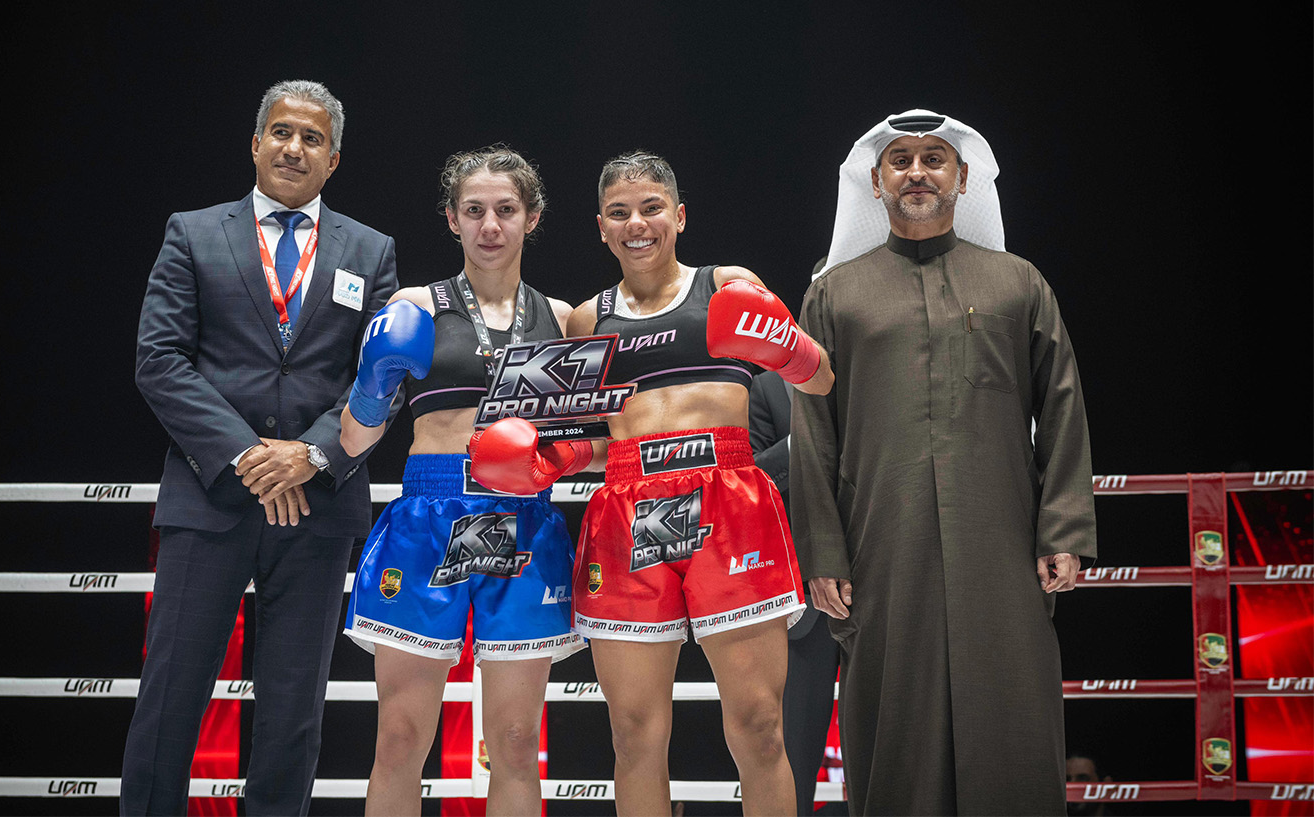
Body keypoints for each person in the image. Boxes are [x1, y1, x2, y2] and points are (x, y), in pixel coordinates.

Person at [471, 151, 835, 816]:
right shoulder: (586, 319)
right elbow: (589, 443)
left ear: (680, 215)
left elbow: (820, 382)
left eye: (651, 208)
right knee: (634, 734)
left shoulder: (727, 285)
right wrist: (554, 458)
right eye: (619, 212)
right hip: (627, 504)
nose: (636, 223)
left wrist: (793, 350)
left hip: (728, 497)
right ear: (601, 227)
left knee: (759, 723)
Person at [790, 109, 1097, 815]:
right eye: (900, 160)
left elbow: (1061, 407)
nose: (917, 172)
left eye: (934, 159)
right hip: (880, 548)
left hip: (1003, 545)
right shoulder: (833, 294)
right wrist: (822, 550)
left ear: (963, 179)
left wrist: (1062, 531)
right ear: (875, 182)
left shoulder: (1018, 284)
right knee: (893, 719)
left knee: (1012, 710)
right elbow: (813, 432)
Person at [122, 80, 399, 816]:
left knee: (291, 715)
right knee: (169, 700)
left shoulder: (370, 250)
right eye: (281, 132)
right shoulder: (192, 232)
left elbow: (382, 377)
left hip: (317, 505)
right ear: (254, 143)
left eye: (312, 138)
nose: (293, 148)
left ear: (333, 159)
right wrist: (250, 456)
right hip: (210, 495)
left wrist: (310, 454)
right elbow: (159, 361)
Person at [339, 147, 584, 816]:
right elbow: (355, 441)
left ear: (532, 217)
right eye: (474, 210)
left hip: (524, 517)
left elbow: (594, 444)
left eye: (505, 209)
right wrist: (372, 381)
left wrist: (555, 458)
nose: (490, 225)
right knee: (399, 737)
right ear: (452, 219)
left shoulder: (563, 319)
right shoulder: (415, 306)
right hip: (428, 511)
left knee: (515, 742)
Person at [749, 370, 845, 816]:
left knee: (893, 747)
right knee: (795, 754)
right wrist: (801, 441)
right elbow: (750, 478)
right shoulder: (767, 388)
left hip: (880, 589)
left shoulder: (871, 371)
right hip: (803, 598)